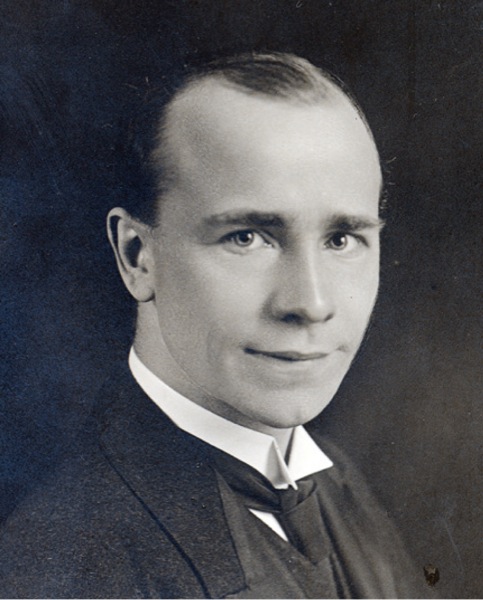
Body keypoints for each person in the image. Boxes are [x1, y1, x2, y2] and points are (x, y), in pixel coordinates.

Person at [0, 52, 429, 598]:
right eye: (247, 237)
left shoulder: (340, 484)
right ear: (137, 256)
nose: (312, 303)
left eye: (341, 239)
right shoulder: (66, 564)